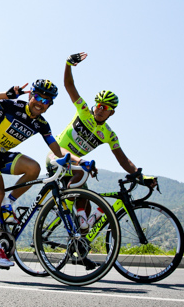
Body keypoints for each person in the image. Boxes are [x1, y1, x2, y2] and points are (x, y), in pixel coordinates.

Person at [0, 79, 67, 266]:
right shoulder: (13, 105)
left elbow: (55, 146)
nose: (41, 103)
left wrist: (70, 159)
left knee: (34, 168)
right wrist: (5, 95)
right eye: (38, 97)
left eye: (46, 101)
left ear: (50, 105)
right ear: (30, 95)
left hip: (1, 155)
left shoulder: (41, 124)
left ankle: (9, 201)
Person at [46, 52, 140, 229]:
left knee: (87, 212)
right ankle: (63, 205)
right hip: (57, 156)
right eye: (99, 105)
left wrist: (138, 174)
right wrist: (68, 64)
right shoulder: (83, 111)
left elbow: (123, 160)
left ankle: (79, 251)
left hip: (77, 168)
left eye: (106, 108)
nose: (101, 109)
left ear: (112, 112)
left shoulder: (109, 134)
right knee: (82, 172)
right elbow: (69, 85)